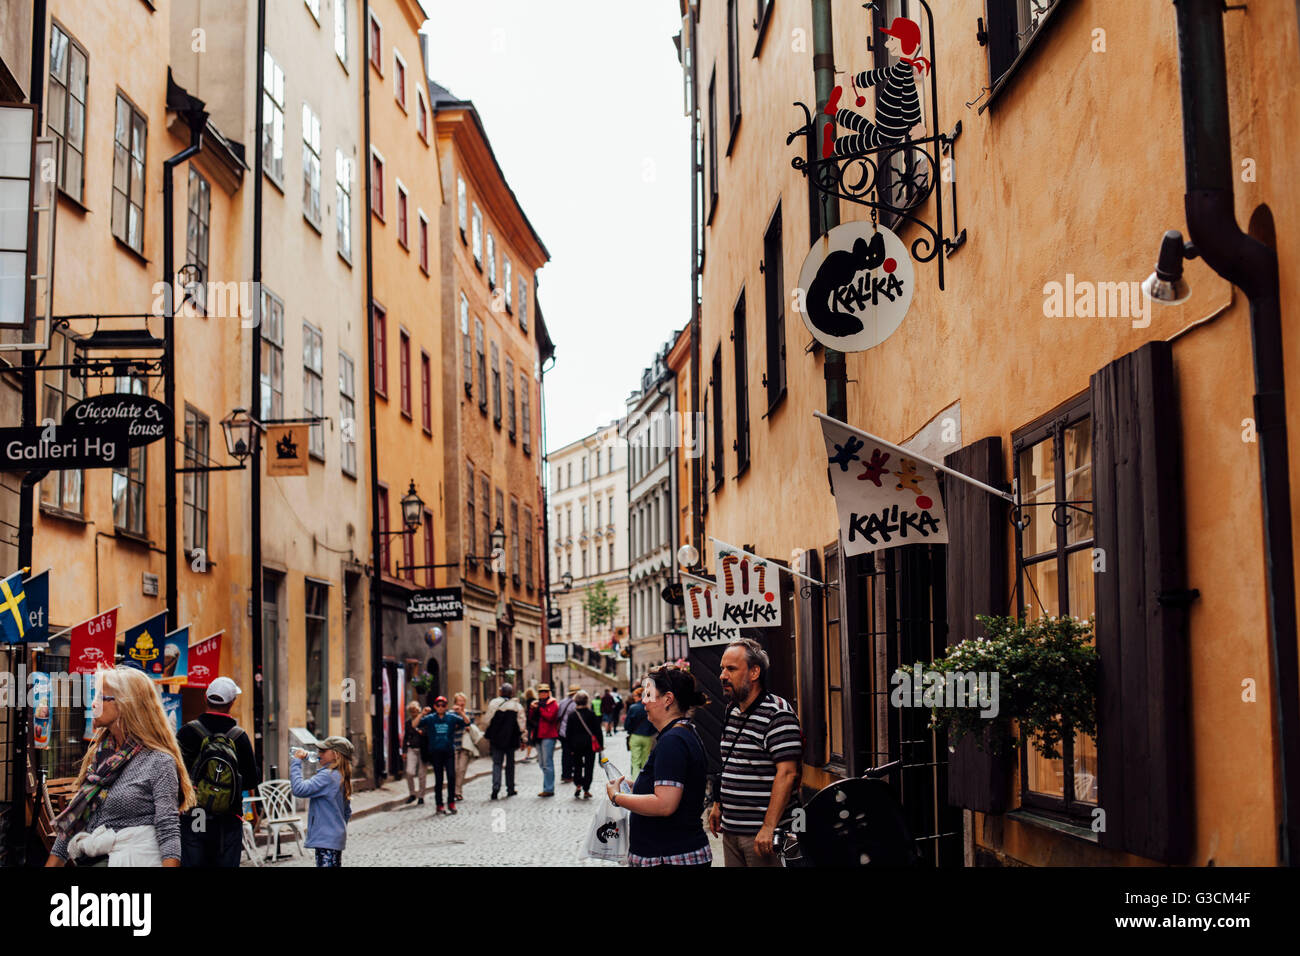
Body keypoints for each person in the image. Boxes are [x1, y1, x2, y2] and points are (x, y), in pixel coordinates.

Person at [46, 666, 194, 867]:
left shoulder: (159, 761)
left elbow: (168, 829)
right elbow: (75, 823)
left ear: (126, 704)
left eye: (101, 697)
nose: (94, 703)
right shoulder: (101, 757)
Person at [709, 639, 803, 867]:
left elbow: (788, 774)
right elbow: (732, 762)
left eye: (731, 669)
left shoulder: (778, 715)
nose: (722, 675)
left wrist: (769, 827)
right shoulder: (731, 710)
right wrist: (718, 803)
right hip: (731, 830)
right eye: (722, 668)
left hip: (762, 836)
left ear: (754, 672)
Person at [606, 666, 712, 867]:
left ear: (667, 699)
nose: (643, 701)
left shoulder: (673, 740)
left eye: (648, 694)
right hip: (671, 853)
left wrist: (617, 797)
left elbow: (664, 804)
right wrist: (635, 785)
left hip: (670, 856)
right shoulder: (680, 733)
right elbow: (673, 786)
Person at [177, 675, 261, 866]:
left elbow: (173, 773)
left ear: (205, 698)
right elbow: (251, 781)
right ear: (232, 703)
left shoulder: (186, 732)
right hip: (228, 818)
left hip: (193, 816)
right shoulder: (239, 737)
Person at [290, 735, 353, 867]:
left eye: (323, 751)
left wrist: (296, 763)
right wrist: (337, 829)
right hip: (332, 839)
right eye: (319, 751)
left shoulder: (328, 776)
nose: (319, 754)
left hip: (326, 840)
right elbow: (347, 811)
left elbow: (299, 789)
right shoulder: (340, 775)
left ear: (336, 755)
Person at [419, 696, 467, 813]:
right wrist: (422, 713)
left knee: (451, 776)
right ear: (435, 706)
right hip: (436, 752)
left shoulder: (451, 717)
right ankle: (439, 804)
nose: (440, 708)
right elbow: (415, 724)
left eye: (443, 705)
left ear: (446, 707)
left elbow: (466, 722)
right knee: (439, 779)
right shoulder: (430, 718)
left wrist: (461, 712)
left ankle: (451, 802)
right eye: (438, 705)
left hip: (449, 751)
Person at [483, 683, 526, 799]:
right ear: (511, 693)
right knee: (510, 764)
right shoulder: (517, 706)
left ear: (501, 692)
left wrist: (485, 729)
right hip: (511, 738)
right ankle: (510, 788)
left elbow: (487, 719)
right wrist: (524, 737)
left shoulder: (494, 703)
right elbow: (521, 723)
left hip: (496, 738)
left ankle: (495, 788)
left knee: (497, 763)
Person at [565, 690, 603, 800]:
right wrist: (600, 745)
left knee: (577, 766)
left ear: (575, 701)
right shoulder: (591, 714)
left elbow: (568, 733)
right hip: (589, 745)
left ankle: (578, 784)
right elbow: (597, 731)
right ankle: (586, 789)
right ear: (586, 701)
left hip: (576, 745)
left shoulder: (572, 715)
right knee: (589, 767)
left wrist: (569, 747)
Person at [624, 685, 656, 781]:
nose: (634, 698)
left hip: (635, 736)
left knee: (635, 761)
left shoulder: (633, 708)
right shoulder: (650, 707)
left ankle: (635, 783)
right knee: (645, 761)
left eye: (635, 696)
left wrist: (631, 730)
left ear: (639, 696)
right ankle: (644, 782)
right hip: (647, 737)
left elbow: (627, 724)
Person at [534, 683, 560, 797]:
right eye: (540, 692)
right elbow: (531, 718)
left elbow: (549, 717)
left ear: (548, 693)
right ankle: (547, 786)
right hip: (538, 736)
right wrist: (532, 708)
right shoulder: (537, 704)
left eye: (544, 691)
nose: (542, 694)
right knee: (542, 763)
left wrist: (540, 708)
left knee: (547, 763)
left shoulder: (553, 704)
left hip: (549, 735)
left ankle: (549, 788)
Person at [402, 701, 426, 806]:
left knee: (422, 774)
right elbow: (405, 736)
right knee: (409, 772)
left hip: (423, 749)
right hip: (412, 748)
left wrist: (423, 732)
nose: (413, 713)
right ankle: (412, 793)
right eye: (411, 711)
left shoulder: (424, 721)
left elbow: (428, 733)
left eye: (415, 711)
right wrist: (404, 751)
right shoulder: (408, 722)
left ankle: (421, 796)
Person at [556, 687, 579, 784]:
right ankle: (569, 774)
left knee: (565, 754)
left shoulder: (562, 702)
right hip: (571, 733)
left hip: (562, 732)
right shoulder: (575, 704)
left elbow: (558, 715)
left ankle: (565, 774)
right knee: (573, 754)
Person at [451, 692, 471, 801]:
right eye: (459, 700)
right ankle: (453, 789)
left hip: (465, 744)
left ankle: (458, 791)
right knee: (454, 769)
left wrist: (462, 714)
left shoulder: (468, 713)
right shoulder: (450, 714)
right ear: (455, 702)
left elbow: (469, 724)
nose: (462, 703)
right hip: (453, 744)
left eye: (463, 701)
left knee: (462, 769)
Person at [522, 686, 539, 762]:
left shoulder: (528, 702)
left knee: (529, 740)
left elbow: (528, 714)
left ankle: (528, 755)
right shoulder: (536, 701)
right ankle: (539, 755)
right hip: (536, 724)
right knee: (536, 739)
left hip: (529, 724)